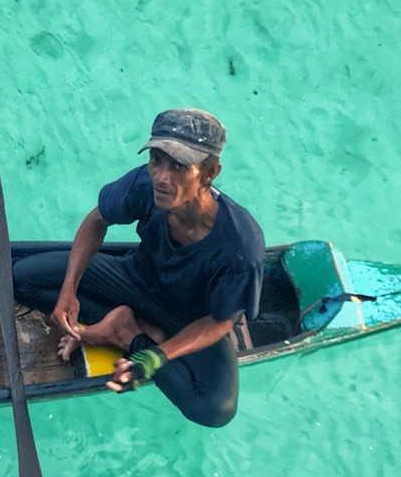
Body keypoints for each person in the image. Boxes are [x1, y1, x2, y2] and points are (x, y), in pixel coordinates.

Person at [13, 109, 264, 428]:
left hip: (190, 319)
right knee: (24, 279)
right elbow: (96, 221)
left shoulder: (240, 247)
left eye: (178, 166)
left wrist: (153, 356)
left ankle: (126, 332)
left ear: (210, 172)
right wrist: (69, 291)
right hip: (134, 280)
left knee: (214, 409)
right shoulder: (144, 184)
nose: (161, 176)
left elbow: (219, 322)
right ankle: (124, 322)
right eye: (156, 160)